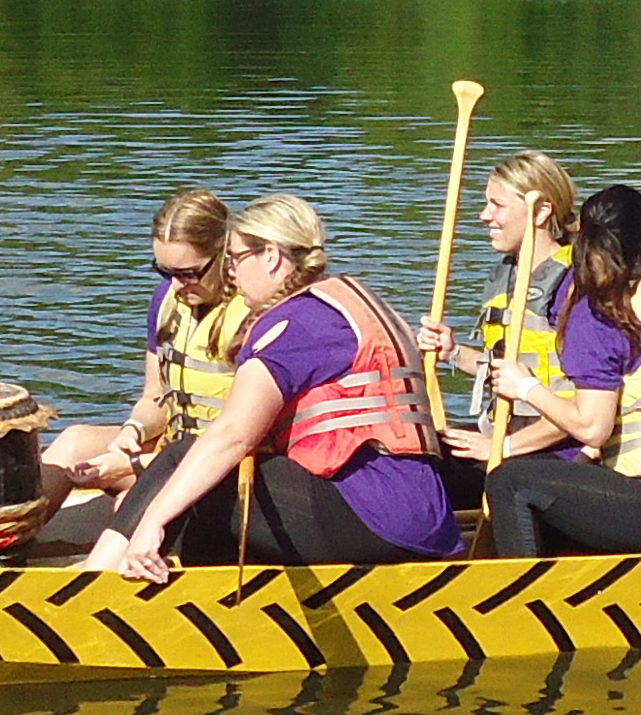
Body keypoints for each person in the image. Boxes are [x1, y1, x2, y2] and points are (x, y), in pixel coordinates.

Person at [85, 194, 457, 576]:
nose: (230, 273)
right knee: (202, 494)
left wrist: (152, 521)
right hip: (417, 510)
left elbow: (233, 434)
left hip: (376, 515)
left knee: (183, 460)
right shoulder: (346, 300)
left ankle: (90, 581)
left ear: (272, 257)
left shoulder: (297, 325)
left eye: (234, 259)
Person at [476, 183, 641, 558]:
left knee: (510, 482)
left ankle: (524, 597)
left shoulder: (603, 308)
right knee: (553, 473)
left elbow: (592, 427)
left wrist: (525, 387)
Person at [50, 189, 242, 494]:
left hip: (224, 464)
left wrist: (134, 466)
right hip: (172, 447)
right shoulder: (166, 301)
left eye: (189, 273)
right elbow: (155, 396)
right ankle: (0, 533)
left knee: (127, 500)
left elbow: (240, 436)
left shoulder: (250, 314)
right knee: (74, 443)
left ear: (223, 254)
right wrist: (134, 429)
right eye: (165, 271)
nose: (176, 285)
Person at [425, 149, 580, 483]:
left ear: (540, 212)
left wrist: (501, 447)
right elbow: (512, 364)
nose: (484, 215)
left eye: (497, 204)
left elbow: (585, 406)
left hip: (556, 449)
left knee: (432, 474)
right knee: (416, 455)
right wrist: (452, 352)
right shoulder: (507, 273)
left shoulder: (572, 284)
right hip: (505, 431)